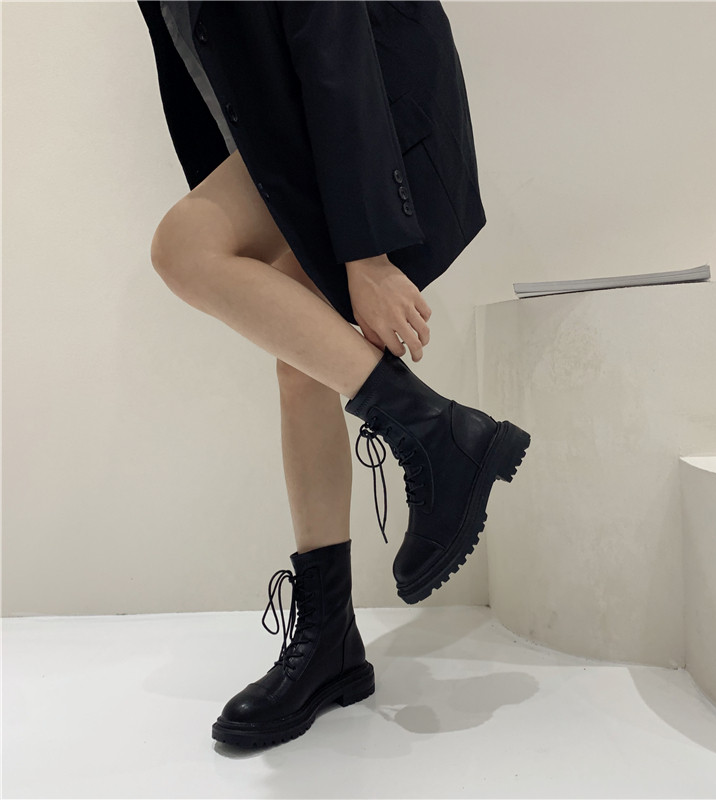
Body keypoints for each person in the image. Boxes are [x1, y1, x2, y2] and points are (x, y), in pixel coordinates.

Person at [137, 0, 530, 748]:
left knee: (182, 247)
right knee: (301, 363)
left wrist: (365, 250)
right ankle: (330, 641)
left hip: (368, 105)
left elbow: (333, 25)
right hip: (298, 124)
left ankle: (437, 434)